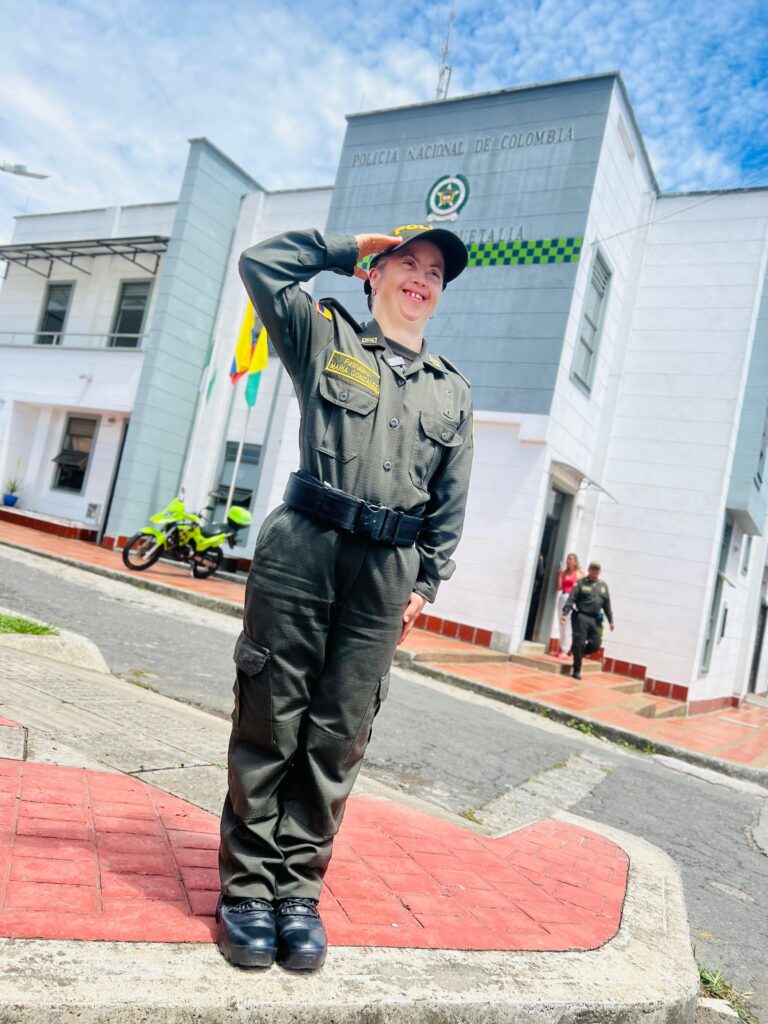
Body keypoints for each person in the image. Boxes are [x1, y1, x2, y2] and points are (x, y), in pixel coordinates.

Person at [216, 224, 473, 972]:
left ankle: (296, 892)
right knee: (271, 716)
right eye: (407, 263)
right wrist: (340, 246)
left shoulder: (452, 391)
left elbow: (450, 502)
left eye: (434, 272)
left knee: (339, 734)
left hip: (384, 572)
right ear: (376, 274)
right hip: (304, 550)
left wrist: (425, 581)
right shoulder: (325, 337)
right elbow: (260, 266)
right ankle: (245, 892)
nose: (421, 278)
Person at [560, 560, 614, 679]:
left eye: (597, 569)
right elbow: (571, 598)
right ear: (589, 570)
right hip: (581, 617)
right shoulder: (580, 583)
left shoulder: (603, 586)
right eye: (593, 569)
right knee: (579, 643)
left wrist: (611, 621)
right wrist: (565, 613)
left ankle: (578, 653)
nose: (595, 571)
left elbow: (607, 605)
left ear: (599, 571)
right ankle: (577, 669)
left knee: (596, 644)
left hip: (595, 619)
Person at [553, 553, 583, 659]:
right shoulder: (564, 573)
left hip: (571, 600)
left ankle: (566, 650)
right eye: (567, 559)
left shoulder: (579, 574)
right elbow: (559, 587)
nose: (568, 561)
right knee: (560, 623)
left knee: (568, 625)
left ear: (575, 561)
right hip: (563, 596)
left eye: (570, 559)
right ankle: (561, 648)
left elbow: (581, 589)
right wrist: (560, 576)